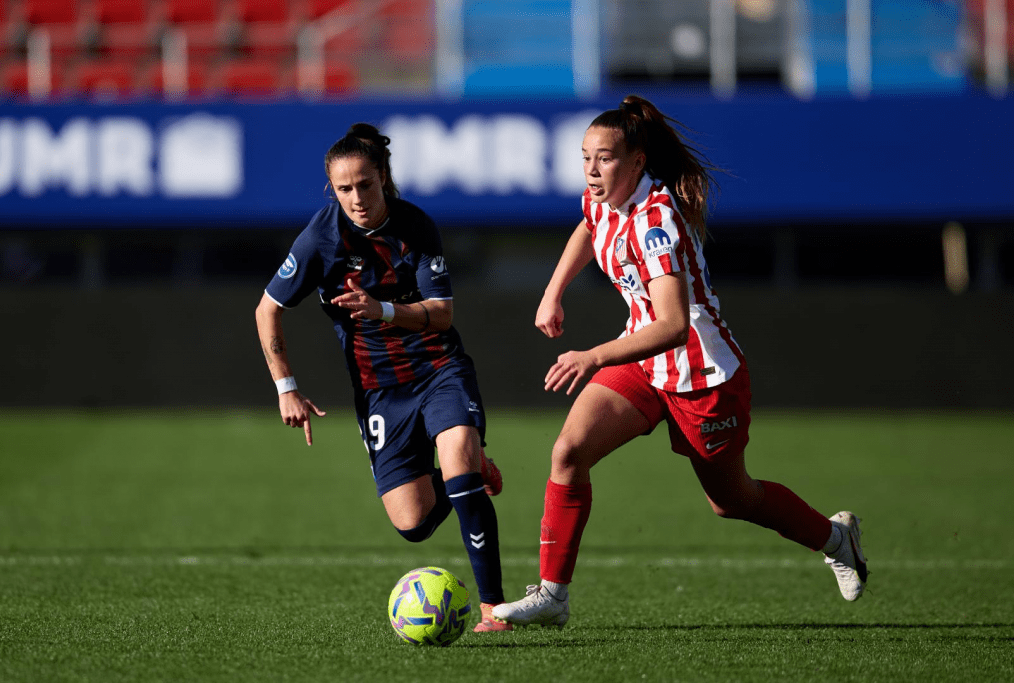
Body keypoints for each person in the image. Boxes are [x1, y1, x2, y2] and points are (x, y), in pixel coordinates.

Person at [492, 96, 868, 628]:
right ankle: (553, 594)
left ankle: (835, 537)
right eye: (585, 157)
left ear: (638, 162)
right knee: (569, 451)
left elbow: (671, 325)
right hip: (646, 364)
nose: (592, 171)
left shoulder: (656, 220)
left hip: (702, 375)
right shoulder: (603, 197)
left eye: (604, 158)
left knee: (731, 500)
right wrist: (554, 291)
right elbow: (588, 225)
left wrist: (593, 355)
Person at [255, 123, 511, 632]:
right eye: (344, 189)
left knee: (457, 454)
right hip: (379, 390)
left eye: (365, 185)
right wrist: (287, 387)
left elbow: (441, 314)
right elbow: (267, 310)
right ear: (332, 189)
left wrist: (383, 310)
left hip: (438, 367)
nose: (357, 198)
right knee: (412, 524)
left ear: (384, 178)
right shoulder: (320, 239)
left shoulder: (416, 226)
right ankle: (471, 476)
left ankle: (492, 607)